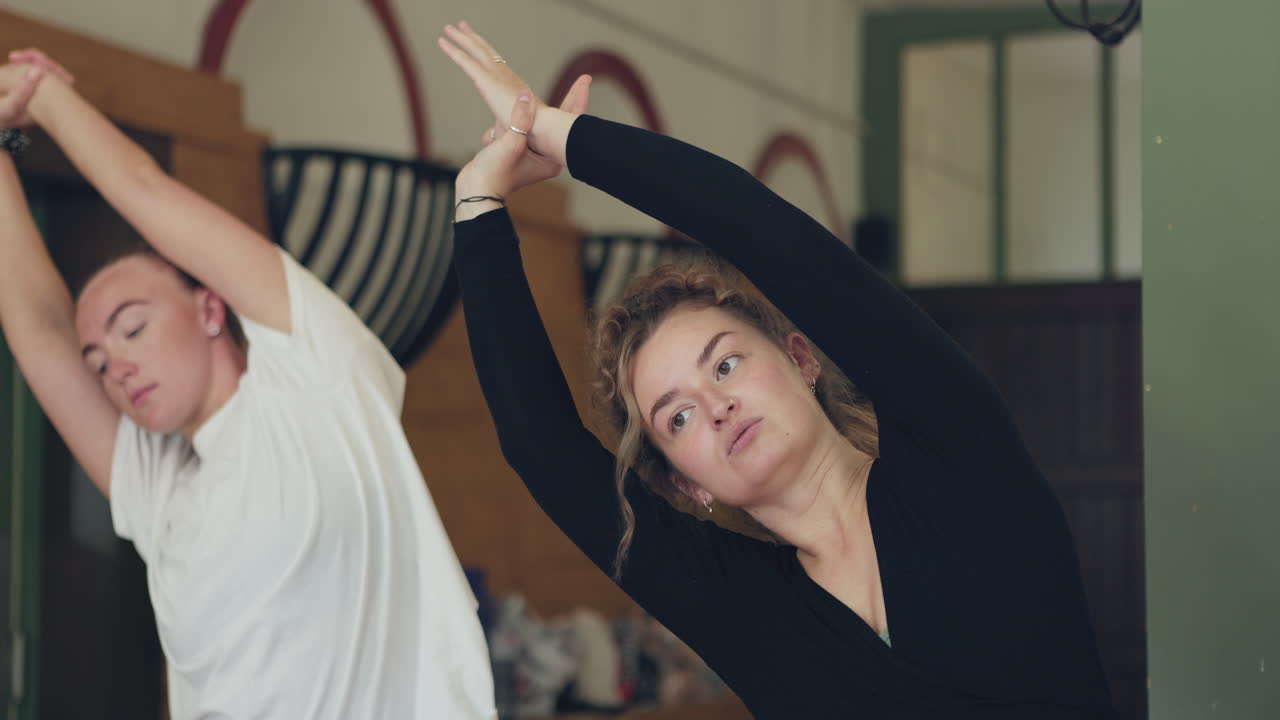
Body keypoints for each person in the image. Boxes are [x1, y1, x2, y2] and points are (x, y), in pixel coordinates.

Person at [440, 22, 1117, 719]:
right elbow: (539, 443)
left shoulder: (958, 456)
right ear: (683, 481)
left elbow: (757, 225)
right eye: (676, 416)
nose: (714, 406)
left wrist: (557, 134)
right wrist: (478, 202)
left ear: (800, 359)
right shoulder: (737, 608)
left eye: (726, 364)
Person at [0, 51, 506, 718]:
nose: (113, 368)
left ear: (211, 309)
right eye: (98, 361)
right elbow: (39, 332)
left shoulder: (315, 375)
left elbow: (144, 190)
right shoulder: (159, 486)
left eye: (132, 327)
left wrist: (38, 95)